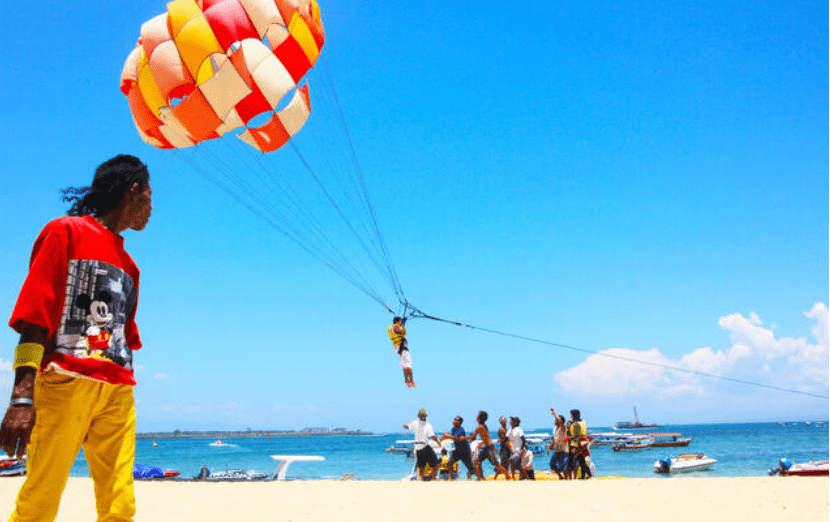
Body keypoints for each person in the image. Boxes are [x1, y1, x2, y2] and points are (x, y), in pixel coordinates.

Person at [0, 155, 152, 522]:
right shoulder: (65, 232)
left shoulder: (130, 266)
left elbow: (123, 337)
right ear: (133, 191)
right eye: (148, 197)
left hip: (117, 391)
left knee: (120, 504)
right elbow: (35, 316)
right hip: (66, 381)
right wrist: (22, 397)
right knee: (42, 495)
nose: (151, 208)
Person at [468, 411, 511, 480]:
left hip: (490, 448)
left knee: (497, 465)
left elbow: (471, 437)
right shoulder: (484, 425)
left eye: (477, 416)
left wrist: (460, 438)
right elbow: (486, 436)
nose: (476, 417)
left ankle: (508, 477)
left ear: (479, 418)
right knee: (476, 461)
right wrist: (482, 443)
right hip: (487, 447)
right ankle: (480, 478)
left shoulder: (479, 427)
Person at [403, 408, 440, 481]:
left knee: (421, 465)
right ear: (426, 416)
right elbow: (433, 436)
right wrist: (438, 442)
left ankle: (420, 478)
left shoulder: (415, 423)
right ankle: (433, 477)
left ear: (418, 416)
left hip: (417, 447)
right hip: (424, 446)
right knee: (436, 464)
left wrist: (406, 426)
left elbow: (408, 427)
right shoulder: (428, 425)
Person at [441, 415, 476, 480]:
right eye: (454, 420)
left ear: (459, 422)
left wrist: (447, 436)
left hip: (465, 451)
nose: (454, 421)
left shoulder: (461, 429)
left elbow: (457, 438)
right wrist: (443, 438)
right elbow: (452, 436)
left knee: (471, 469)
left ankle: (481, 477)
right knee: (449, 463)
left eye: (456, 420)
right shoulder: (453, 429)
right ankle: (452, 479)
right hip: (457, 450)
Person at [388, 316, 416, 387]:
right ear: (397, 322)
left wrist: (402, 324)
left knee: (405, 365)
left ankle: (407, 380)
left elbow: (401, 333)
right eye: (400, 322)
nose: (401, 324)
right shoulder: (395, 327)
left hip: (399, 348)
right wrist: (403, 325)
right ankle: (411, 381)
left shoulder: (392, 328)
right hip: (402, 348)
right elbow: (403, 332)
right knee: (408, 365)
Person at [569, 409, 592, 479]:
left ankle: (587, 475)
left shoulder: (576, 424)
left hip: (579, 444)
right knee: (582, 460)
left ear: (573, 415)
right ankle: (584, 476)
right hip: (584, 443)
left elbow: (576, 436)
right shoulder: (583, 422)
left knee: (581, 461)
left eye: (571, 414)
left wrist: (568, 438)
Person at [546, 407, 568, 479]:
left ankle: (565, 477)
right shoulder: (555, 429)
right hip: (557, 450)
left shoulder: (563, 428)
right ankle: (560, 477)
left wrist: (555, 414)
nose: (555, 420)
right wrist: (549, 448)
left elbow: (561, 423)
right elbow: (554, 439)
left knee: (564, 465)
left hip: (563, 450)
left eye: (556, 419)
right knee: (552, 464)